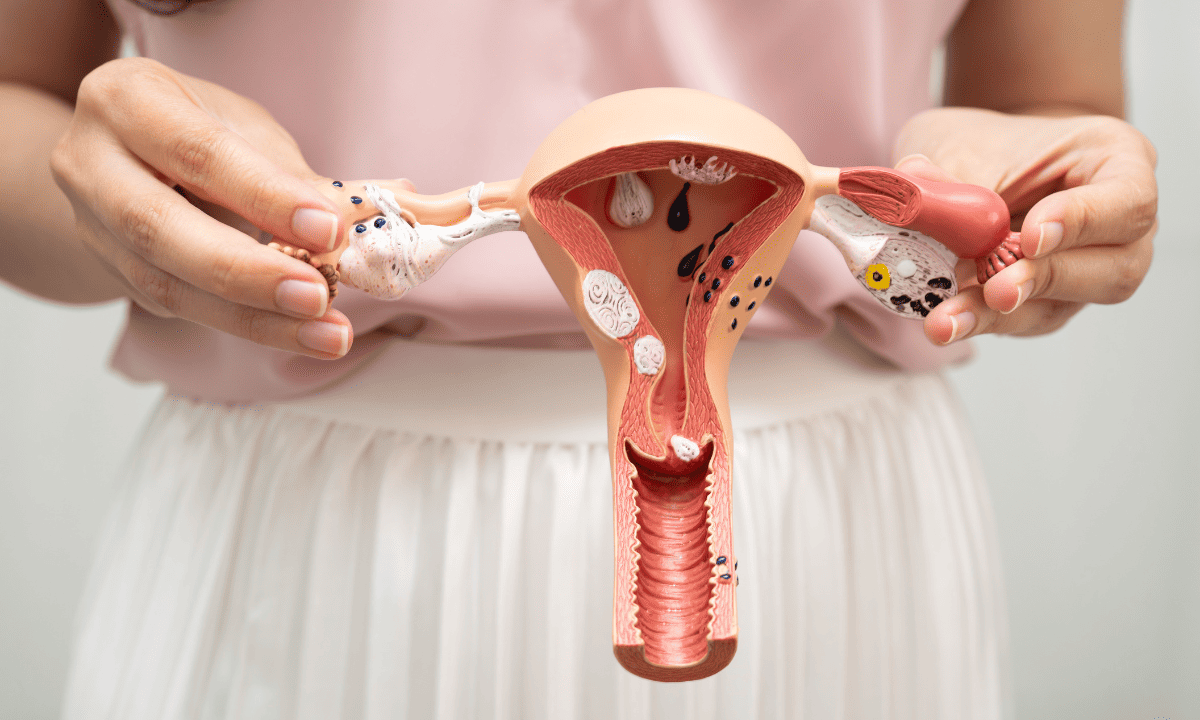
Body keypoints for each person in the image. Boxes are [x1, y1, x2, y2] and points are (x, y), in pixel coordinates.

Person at [0, 0, 1156, 718]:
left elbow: (1045, 101)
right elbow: (25, 108)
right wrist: (125, 204)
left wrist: (1028, 205)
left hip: (838, 543)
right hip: (295, 538)